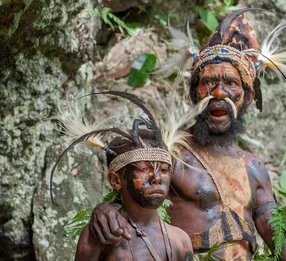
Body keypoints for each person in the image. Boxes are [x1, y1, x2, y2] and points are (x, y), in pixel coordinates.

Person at [88, 12, 286, 260]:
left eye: (230, 83)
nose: (218, 92)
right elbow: (129, 196)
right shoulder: (170, 153)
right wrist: (105, 210)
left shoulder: (254, 168)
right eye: (208, 83)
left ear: (247, 96)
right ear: (195, 94)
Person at [50, 94, 196, 261]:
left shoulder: (180, 240)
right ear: (116, 180)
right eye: (143, 169)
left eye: (163, 170)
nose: (156, 178)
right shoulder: (102, 234)